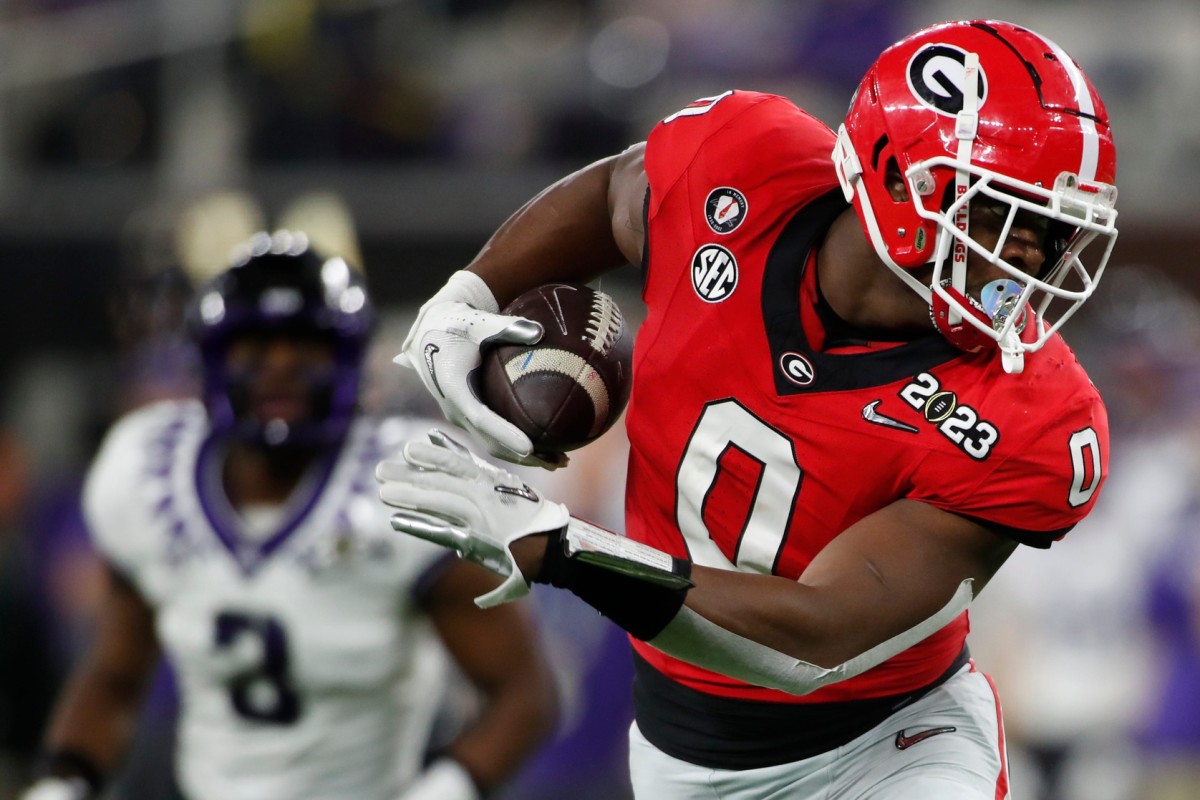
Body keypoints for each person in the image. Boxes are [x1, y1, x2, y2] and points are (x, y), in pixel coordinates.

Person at [375, 18, 1120, 800]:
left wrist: (562, 548)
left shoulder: (1038, 417)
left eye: (1057, 229)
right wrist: (466, 299)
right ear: (903, 180)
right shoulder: (740, 166)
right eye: (1011, 215)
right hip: (682, 752)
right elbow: (613, 194)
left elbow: (821, 637)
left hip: (892, 745)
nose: (1034, 257)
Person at [21, 230, 558, 800]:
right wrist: (62, 786)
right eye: (255, 347)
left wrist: (440, 791)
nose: (281, 368)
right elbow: (115, 678)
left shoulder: (412, 481)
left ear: (351, 359)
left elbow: (524, 695)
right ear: (213, 360)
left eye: (308, 347)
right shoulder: (146, 471)